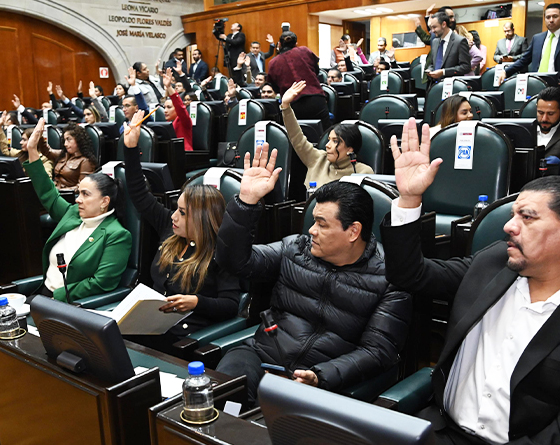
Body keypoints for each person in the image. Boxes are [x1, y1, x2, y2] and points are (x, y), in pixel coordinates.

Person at [381, 118, 560, 444]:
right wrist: (408, 200)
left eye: (527, 217)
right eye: (512, 215)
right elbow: (410, 275)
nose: (509, 227)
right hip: (441, 431)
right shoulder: (492, 263)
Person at [214, 143, 410, 407]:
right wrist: (246, 203)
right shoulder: (296, 248)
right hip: (263, 356)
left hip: (321, 376)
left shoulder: (390, 278)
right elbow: (234, 261)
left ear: (353, 231)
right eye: (313, 220)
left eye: (322, 224)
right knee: (225, 394)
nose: (312, 231)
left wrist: (320, 376)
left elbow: (377, 351)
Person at [120, 110, 239, 352]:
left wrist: (197, 302)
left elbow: (231, 305)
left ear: (203, 219)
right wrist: (131, 150)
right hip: (148, 326)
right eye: (177, 209)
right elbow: (139, 194)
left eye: (183, 213)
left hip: (185, 338)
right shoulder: (170, 228)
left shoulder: (221, 251)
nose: (174, 216)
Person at [21, 118, 131, 304]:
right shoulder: (73, 213)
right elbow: (48, 192)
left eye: (86, 194)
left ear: (105, 201)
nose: (78, 199)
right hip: (42, 294)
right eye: (79, 193)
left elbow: (102, 283)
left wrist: (56, 297)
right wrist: (33, 150)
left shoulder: (116, 235)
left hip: (66, 304)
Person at [281, 80, 374, 186]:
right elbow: (296, 137)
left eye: (335, 141)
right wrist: (286, 106)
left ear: (350, 148)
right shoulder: (317, 159)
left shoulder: (363, 172)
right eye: (329, 140)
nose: (327, 145)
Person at [499, 4, 560, 88]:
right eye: (548, 17)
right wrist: (506, 72)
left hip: (559, 87)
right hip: (536, 84)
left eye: (555, 16)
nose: (551, 20)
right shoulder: (537, 38)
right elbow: (524, 60)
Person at [266, 31, 331, 128]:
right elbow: (316, 71)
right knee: (325, 134)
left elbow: (274, 87)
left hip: (293, 103)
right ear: (296, 44)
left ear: (279, 44)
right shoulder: (304, 50)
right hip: (315, 98)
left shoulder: (273, 62)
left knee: (297, 138)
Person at [39, 122, 97, 191]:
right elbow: (47, 151)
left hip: (68, 196)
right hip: (55, 190)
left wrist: (61, 191)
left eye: (68, 139)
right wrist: (39, 136)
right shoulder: (63, 154)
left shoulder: (86, 161)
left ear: (79, 140)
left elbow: (82, 187)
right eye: (64, 140)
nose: (65, 144)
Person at [0, 112, 53, 178]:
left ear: (34, 141)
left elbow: (47, 181)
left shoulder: (45, 160)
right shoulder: (21, 154)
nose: (20, 142)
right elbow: (5, 149)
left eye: (24, 140)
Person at [424, 11, 471, 84]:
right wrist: (430, 70)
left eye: (434, 27)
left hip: (452, 86)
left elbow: (465, 67)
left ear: (443, 24)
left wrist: (444, 72)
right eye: (431, 28)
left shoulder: (460, 41)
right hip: (434, 86)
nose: (432, 31)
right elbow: (432, 63)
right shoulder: (435, 42)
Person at [160, 69, 193, 152]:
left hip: (185, 155)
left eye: (169, 107)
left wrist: (169, 87)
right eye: (164, 107)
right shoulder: (166, 124)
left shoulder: (184, 121)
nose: (165, 111)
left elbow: (180, 107)